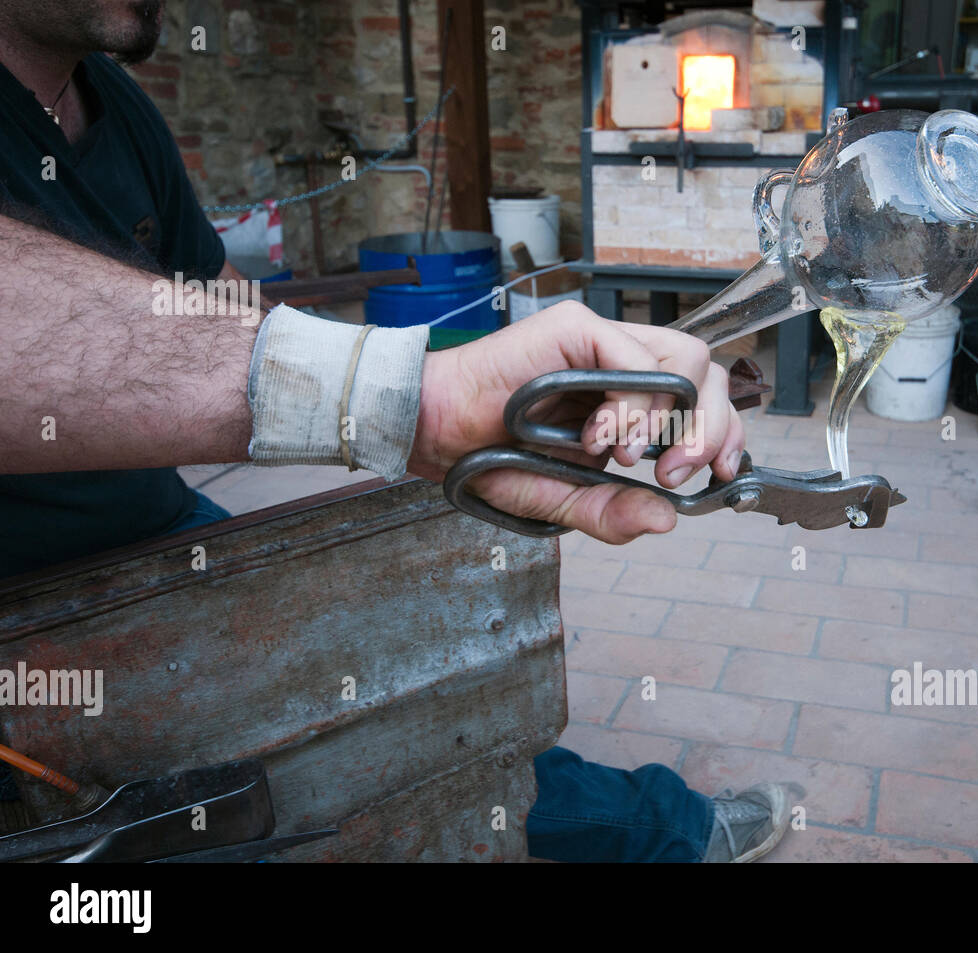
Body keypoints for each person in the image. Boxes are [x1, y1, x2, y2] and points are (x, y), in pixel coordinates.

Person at [0, 0, 797, 862]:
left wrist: (386, 385)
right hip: (33, 611)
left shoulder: (116, 107)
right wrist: (404, 394)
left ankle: (649, 826)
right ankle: (664, 831)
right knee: (306, 777)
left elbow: (218, 306)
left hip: (159, 536)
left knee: (402, 696)